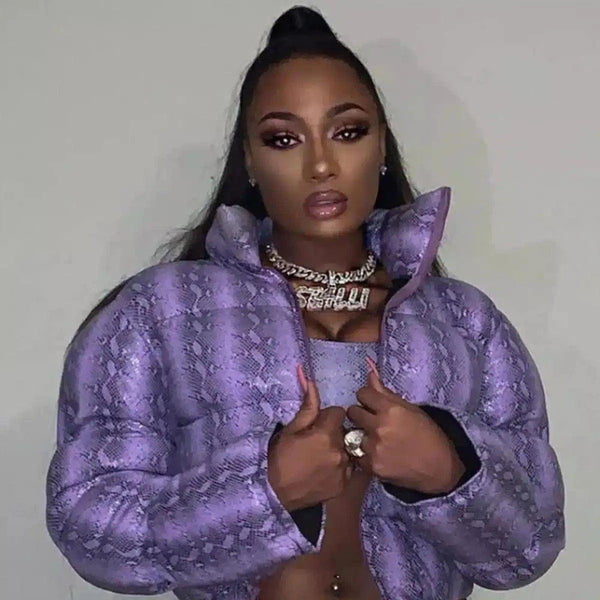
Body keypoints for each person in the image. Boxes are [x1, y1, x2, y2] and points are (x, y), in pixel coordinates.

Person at [45, 6, 565, 600]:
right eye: (283, 139)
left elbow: (532, 544)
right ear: (249, 159)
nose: (320, 165)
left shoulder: (467, 322)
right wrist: (265, 491)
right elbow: (90, 528)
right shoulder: (159, 312)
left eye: (348, 132)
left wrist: (450, 470)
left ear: (382, 145)